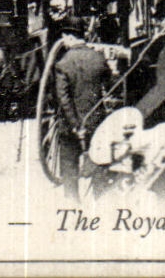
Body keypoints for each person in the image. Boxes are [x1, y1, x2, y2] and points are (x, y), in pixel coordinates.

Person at [52, 18, 113, 200]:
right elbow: (108, 83)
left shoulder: (63, 63)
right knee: (98, 165)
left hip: (71, 126)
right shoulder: (98, 57)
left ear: (68, 36)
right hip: (96, 122)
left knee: (69, 170)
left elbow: (63, 99)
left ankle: (73, 210)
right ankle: (101, 207)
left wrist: (75, 124)